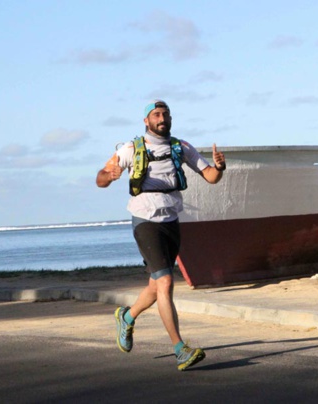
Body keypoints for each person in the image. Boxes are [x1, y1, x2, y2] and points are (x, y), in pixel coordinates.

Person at [96, 99, 226, 371]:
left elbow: (211, 177)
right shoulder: (132, 148)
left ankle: (127, 317)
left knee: (156, 286)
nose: (162, 118)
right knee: (166, 282)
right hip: (145, 221)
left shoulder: (181, 147)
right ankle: (180, 349)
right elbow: (100, 178)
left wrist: (220, 167)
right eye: (156, 114)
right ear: (146, 121)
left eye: (165, 114)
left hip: (171, 221)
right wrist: (111, 176)